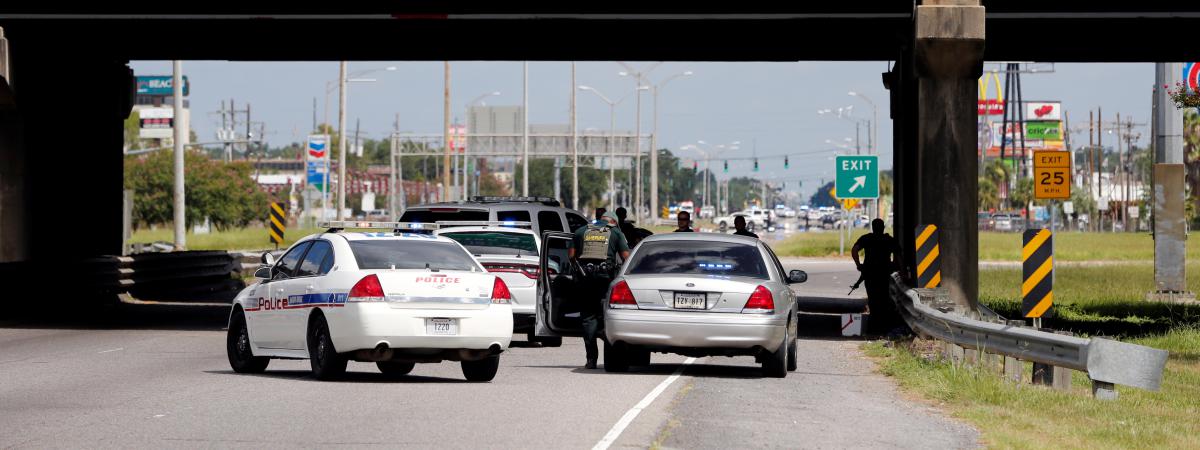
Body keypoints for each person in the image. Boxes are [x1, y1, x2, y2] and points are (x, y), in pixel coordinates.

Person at [568, 211, 631, 369]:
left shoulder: (581, 231)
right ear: (614, 222)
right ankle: (612, 357)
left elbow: (571, 256)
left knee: (588, 319)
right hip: (605, 281)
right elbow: (626, 257)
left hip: (585, 281)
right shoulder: (616, 232)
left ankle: (591, 360)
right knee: (607, 317)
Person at [851, 218, 903, 335]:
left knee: (873, 300)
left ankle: (873, 327)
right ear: (883, 227)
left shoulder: (866, 238)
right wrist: (901, 271)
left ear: (873, 227)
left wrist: (859, 265)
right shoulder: (889, 240)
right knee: (884, 300)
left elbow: (854, 250)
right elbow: (899, 256)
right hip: (885, 274)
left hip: (870, 275)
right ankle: (883, 327)